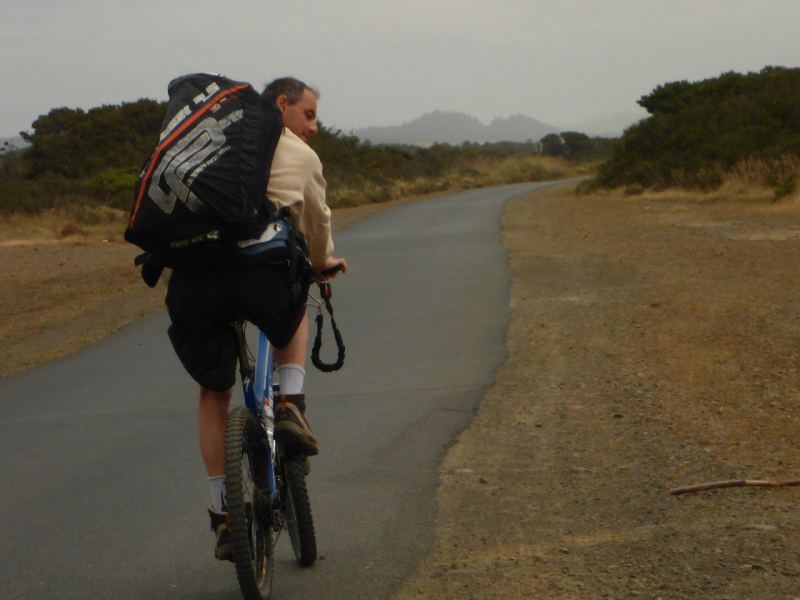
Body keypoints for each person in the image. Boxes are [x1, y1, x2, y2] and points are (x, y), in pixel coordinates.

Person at [164, 76, 347, 559]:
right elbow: (316, 224)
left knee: (213, 392)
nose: (313, 127)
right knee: (294, 312)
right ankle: (289, 405)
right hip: (258, 270)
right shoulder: (298, 154)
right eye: (308, 114)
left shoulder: (207, 141)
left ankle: (225, 518)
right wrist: (323, 260)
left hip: (193, 276)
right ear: (281, 104)